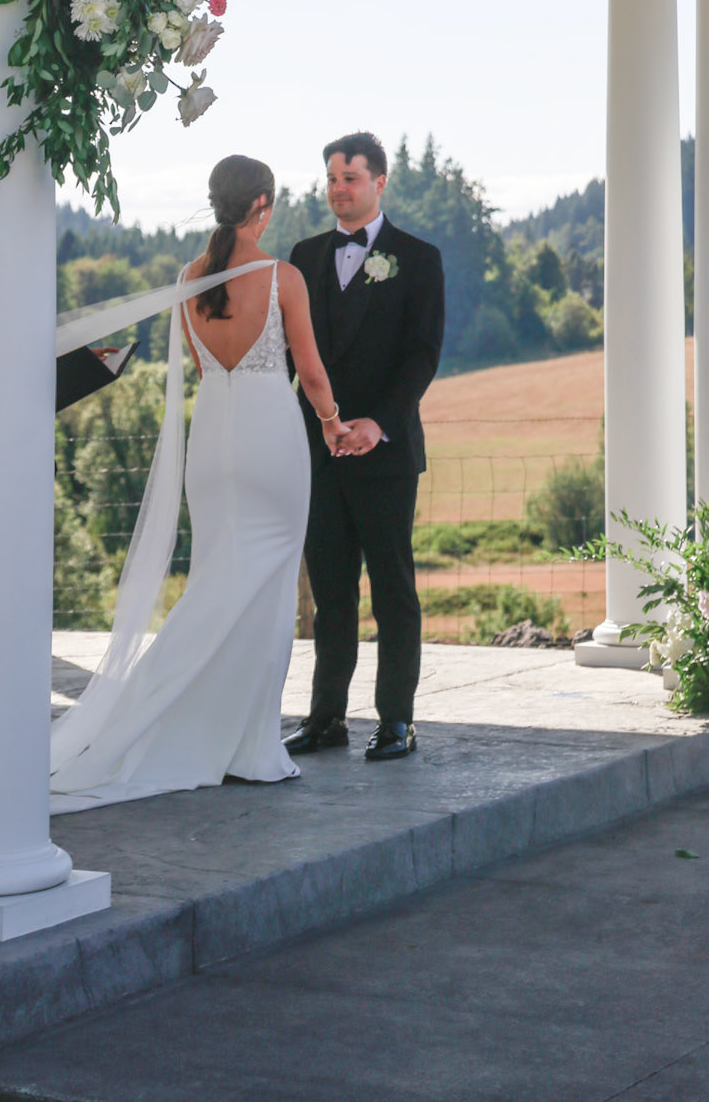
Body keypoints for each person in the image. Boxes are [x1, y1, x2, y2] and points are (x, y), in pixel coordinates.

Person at [48, 155, 342, 806]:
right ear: (261, 205)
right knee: (265, 596)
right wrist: (332, 422)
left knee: (215, 578)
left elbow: (205, 369)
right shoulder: (282, 276)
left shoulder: (188, 278)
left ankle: (196, 727)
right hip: (270, 437)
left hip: (211, 438)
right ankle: (247, 745)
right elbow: (313, 373)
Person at [286, 132, 445, 763]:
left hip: (385, 452)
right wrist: (313, 423)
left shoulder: (419, 258)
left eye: (349, 178)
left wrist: (378, 423)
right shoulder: (304, 256)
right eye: (331, 178)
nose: (338, 189)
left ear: (380, 182)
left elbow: (423, 354)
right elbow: (295, 353)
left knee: (393, 590)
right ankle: (326, 718)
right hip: (320, 451)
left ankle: (397, 720)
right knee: (330, 594)